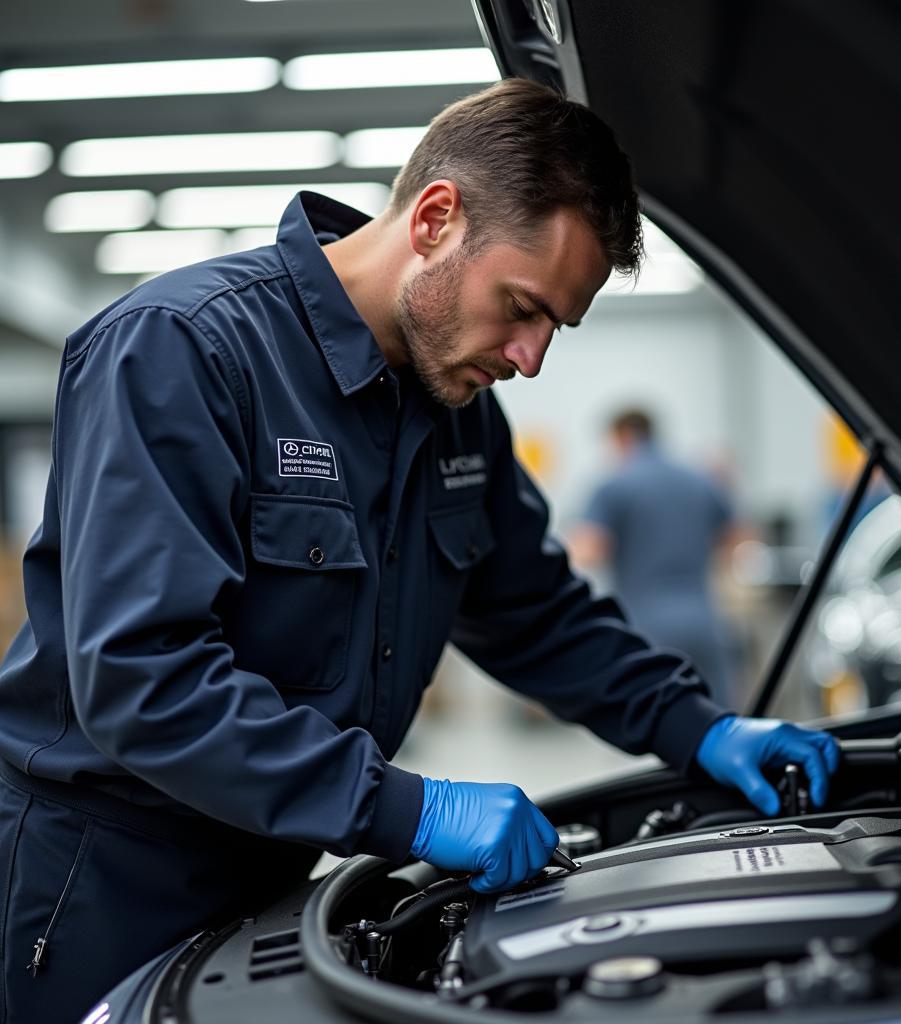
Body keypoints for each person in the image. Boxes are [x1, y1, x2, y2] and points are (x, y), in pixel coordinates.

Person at [0, 78, 839, 1023]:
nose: (530, 358)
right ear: (437, 218)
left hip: (274, 865)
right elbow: (141, 678)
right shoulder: (184, 351)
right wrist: (413, 810)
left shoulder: (454, 414)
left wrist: (701, 727)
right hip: (106, 881)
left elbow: (539, 614)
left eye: (554, 327)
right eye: (521, 307)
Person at [569, 409, 737, 706]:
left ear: (621, 437)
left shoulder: (614, 486)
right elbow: (738, 539)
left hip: (645, 625)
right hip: (705, 620)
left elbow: (589, 550)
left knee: (657, 722)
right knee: (718, 721)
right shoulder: (700, 479)